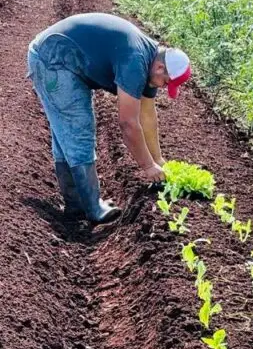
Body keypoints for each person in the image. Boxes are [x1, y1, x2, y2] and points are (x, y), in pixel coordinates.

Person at [27, 12, 192, 224]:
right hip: (53, 59)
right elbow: (128, 124)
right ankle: (93, 208)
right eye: (166, 82)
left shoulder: (151, 62)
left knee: (67, 133)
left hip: (64, 59)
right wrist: (148, 166)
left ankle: (76, 205)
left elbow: (147, 115)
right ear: (160, 68)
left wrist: (157, 159)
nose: (164, 87)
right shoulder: (136, 61)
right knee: (78, 129)